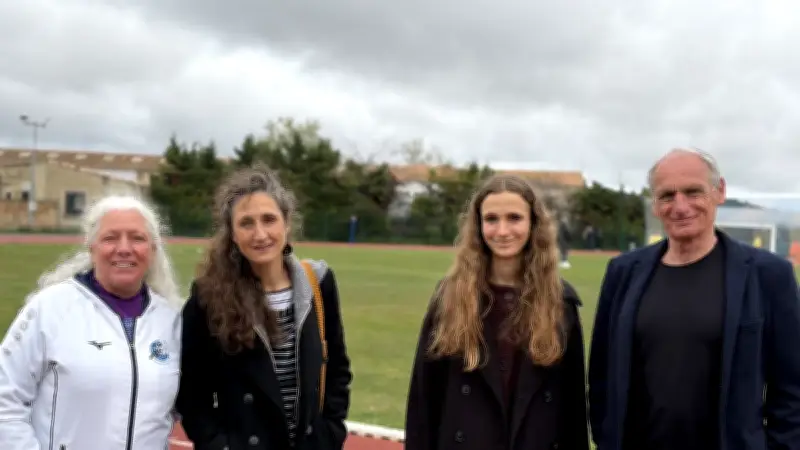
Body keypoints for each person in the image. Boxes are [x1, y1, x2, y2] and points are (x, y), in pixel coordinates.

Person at [588, 148, 800, 450]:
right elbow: (601, 376)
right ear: (655, 204)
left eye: (693, 192)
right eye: (667, 196)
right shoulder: (623, 273)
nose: (680, 206)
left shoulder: (769, 275)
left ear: (720, 191)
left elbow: (792, 389)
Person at [404, 174, 590, 450]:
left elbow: (573, 406)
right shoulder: (449, 297)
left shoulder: (561, 302)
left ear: (533, 224)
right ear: (478, 226)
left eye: (514, 218)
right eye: (491, 219)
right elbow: (424, 398)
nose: (502, 231)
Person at [176, 163, 352, 450]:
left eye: (269, 219)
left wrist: (329, 434)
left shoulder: (319, 283)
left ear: (287, 223)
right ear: (232, 233)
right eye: (246, 223)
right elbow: (193, 390)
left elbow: (336, 370)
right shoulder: (208, 296)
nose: (260, 234)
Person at [0, 194, 184, 450]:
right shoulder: (50, 308)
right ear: (92, 247)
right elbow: (5, 398)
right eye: (110, 238)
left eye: (137, 238)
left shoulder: (170, 321)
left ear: (152, 250)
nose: (124, 248)